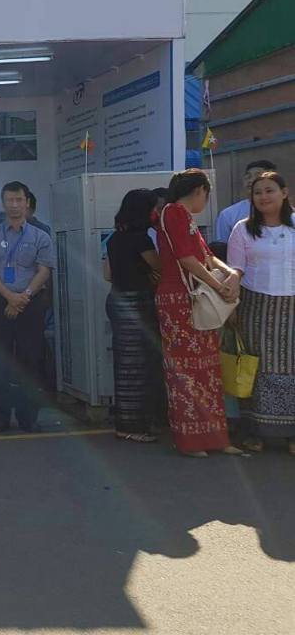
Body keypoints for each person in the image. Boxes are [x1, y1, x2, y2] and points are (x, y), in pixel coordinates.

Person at [154, 168, 244, 457]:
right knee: (187, 369)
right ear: (199, 191)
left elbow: (207, 256)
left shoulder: (181, 215)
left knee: (206, 367)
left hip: (191, 295)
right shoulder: (174, 213)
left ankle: (213, 438)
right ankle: (192, 440)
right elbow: (187, 259)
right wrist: (220, 285)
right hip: (181, 297)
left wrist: (231, 274)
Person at [0, 181, 55, 433]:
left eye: (19, 200)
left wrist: (23, 297)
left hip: (30, 301)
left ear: (27, 203)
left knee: (29, 360)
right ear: (3, 203)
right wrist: (9, 296)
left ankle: (28, 417)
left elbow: (44, 270)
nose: (14, 205)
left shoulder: (40, 236)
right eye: (9, 200)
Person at [227, 172, 295, 453]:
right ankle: (254, 433)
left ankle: (292, 435)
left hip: (291, 307)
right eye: (258, 193)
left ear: (284, 193)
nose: (263, 197)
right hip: (255, 307)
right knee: (255, 368)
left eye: (269, 190)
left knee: (291, 368)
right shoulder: (242, 229)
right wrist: (231, 302)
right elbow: (235, 269)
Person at [103, 189, 165, 443]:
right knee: (139, 367)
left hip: (117, 300)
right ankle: (134, 425)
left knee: (125, 365)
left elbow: (107, 274)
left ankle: (126, 423)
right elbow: (160, 267)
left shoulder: (114, 238)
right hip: (137, 303)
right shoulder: (142, 239)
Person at [215, 160, 277, 244]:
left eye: (257, 176)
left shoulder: (288, 214)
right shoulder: (228, 215)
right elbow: (222, 247)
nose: (251, 180)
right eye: (248, 177)